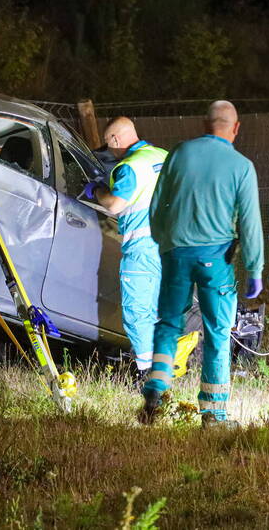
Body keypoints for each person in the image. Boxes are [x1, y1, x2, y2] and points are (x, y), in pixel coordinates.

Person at [139, 101, 264, 428]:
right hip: (216, 259)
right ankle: (213, 413)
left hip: (176, 253)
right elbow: (250, 223)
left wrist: (163, 241)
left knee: (169, 323)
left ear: (204, 124)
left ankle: (156, 386)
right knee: (217, 332)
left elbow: (158, 204)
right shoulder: (241, 166)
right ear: (236, 128)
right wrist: (255, 269)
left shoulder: (180, 153)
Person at [81, 117, 168, 379]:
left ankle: (146, 374)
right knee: (157, 310)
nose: (110, 151)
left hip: (142, 247)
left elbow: (115, 204)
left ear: (115, 139)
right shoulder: (163, 156)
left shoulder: (130, 166)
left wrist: (97, 190)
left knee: (137, 312)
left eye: (108, 144)